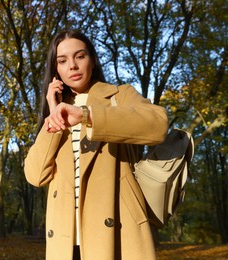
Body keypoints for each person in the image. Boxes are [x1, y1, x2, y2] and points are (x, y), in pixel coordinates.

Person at [24, 30, 168, 260]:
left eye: (80, 56)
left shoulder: (119, 96)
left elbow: (158, 125)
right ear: (56, 70)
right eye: (62, 60)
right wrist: (53, 115)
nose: (72, 65)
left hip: (118, 234)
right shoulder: (56, 112)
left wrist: (85, 115)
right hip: (66, 242)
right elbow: (35, 175)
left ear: (92, 59)